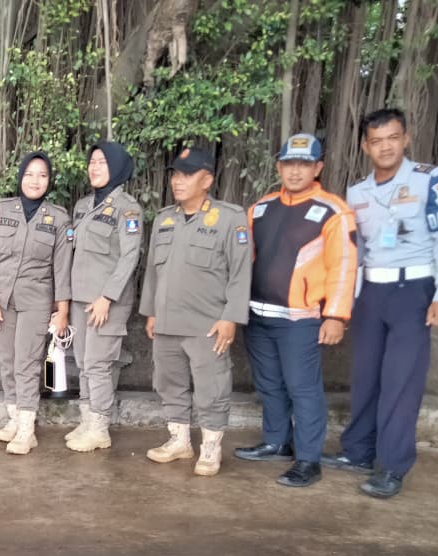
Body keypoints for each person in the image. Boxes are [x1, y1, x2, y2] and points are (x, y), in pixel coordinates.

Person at [322, 108, 438, 498]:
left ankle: (392, 466)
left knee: (401, 381)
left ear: (406, 139)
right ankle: (358, 452)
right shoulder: (357, 191)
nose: (385, 147)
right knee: (366, 376)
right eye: (377, 140)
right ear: (365, 146)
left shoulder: (431, 179)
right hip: (371, 293)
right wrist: (346, 302)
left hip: (412, 291)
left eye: (393, 138)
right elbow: (356, 252)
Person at [235, 134, 357, 487]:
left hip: (299, 320)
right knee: (269, 384)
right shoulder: (260, 209)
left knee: (302, 389)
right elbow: (243, 261)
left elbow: (344, 266)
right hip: (257, 315)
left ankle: (308, 460)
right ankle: (277, 442)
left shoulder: (334, 211)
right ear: (279, 167)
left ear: (318, 167)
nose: (295, 171)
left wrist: (336, 316)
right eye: (289, 163)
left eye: (304, 164)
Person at [139, 146, 252, 476]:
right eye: (175, 174)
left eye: (187, 174)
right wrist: (151, 312)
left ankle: (211, 446)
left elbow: (240, 272)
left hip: (208, 324)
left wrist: (231, 317)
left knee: (211, 387)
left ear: (207, 180)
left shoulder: (229, 218)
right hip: (167, 322)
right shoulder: (164, 219)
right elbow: (152, 272)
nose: (178, 180)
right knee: (168, 382)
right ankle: (179, 441)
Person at [0, 151, 73, 455]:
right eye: (30, 174)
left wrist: (62, 311)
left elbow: (62, 269)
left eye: (42, 175)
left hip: (37, 300)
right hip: (3, 299)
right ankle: (14, 418)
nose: (35, 181)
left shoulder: (58, 218)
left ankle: (27, 429)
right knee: (6, 360)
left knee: (27, 363)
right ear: (21, 177)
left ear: (49, 180)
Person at [64, 141, 143, 452]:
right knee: (84, 363)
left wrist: (107, 297)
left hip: (107, 303)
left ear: (118, 168)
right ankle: (87, 421)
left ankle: (100, 428)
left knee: (98, 364)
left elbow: (129, 256)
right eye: (92, 161)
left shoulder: (128, 208)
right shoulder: (83, 206)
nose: (94, 167)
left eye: (102, 162)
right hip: (80, 299)